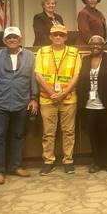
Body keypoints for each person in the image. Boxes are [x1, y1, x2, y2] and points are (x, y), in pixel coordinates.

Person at [0, 27, 38, 185]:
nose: (12, 40)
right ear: (4, 41)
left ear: (20, 39)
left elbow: (33, 78)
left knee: (18, 136)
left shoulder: (29, 56)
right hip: (0, 103)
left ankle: (15, 166)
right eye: (9, 38)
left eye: (15, 37)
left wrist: (34, 98)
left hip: (21, 103)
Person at [35, 24, 82, 175]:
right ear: (50, 37)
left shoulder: (74, 53)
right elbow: (38, 75)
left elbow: (76, 76)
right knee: (48, 133)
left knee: (68, 131)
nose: (58, 37)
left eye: (61, 35)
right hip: (46, 99)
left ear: (66, 37)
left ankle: (68, 160)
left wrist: (63, 93)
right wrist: (51, 93)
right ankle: (48, 161)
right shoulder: (42, 52)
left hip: (68, 98)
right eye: (55, 35)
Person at [77, 35, 107, 175]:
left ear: (103, 45)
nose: (95, 46)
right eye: (92, 44)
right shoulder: (85, 60)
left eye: (98, 44)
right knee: (93, 134)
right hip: (89, 105)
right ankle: (97, 162)